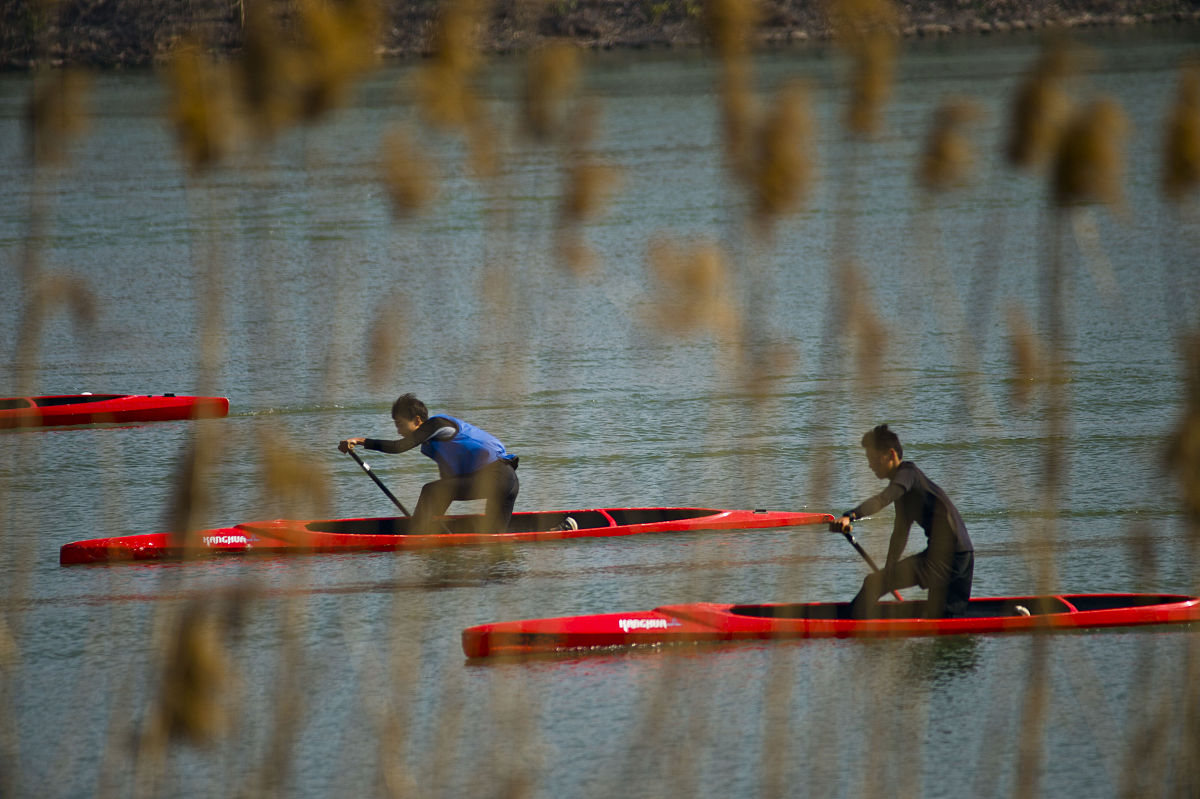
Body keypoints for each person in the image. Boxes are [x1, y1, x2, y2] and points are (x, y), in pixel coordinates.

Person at [834, 424, 974, 619]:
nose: (870, 465)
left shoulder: (908, 475)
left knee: (872, 584)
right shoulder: (905, 489)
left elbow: (883, 499)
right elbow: (900, 532)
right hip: (962, 555)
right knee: (943, 618)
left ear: (891, 454)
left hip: (948, 558)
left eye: (873, 458)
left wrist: (850, 515)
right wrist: (889, 570)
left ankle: (845, 625)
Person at [339, 393, 519, 534]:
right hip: (508, 482)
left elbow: (398, 447)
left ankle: (415, 537)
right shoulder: (432, 444)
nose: (399, 431)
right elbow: (448, 485)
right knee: (494, 540)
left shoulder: (437, 424)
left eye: (400, 424)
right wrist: (432, 520)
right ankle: (425, 534)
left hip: (498, 476)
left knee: (430, 490)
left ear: (418, 420)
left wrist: (360, 441)